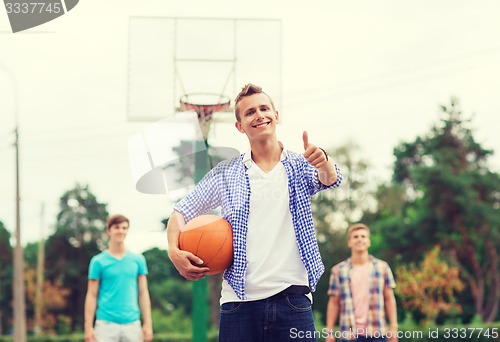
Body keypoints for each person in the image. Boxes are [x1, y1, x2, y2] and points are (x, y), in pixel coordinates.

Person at [167, 83, 342, 341]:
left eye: (264, 108)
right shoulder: (227, 173)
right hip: (239, 303)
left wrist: (324, 162)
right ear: (240, 126)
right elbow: (181, 211)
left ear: (276, 115)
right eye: (250, 112)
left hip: (292, 300)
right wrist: (173, 250)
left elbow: (330, 179)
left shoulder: (300, 164)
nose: (259, 115)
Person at [84, 214, 153, 342]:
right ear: (109, 230)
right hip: (105, 325)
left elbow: (143, 293)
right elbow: (92, 295)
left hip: (132, 324)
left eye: (124, 228)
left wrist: (148, 324)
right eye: (117, 227)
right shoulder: (98, 261)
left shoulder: (138, 260)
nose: (121, 231)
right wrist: (88, 328)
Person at [325, 223, 398, 342]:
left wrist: (393, 328)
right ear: (349, 242)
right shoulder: (338, 271)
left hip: (377, 333)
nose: (359, 239)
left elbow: (389, 299)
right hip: (349, 334)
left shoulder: (382, 268)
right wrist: (329, 332)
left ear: (368, 242)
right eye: (355, 237)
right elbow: (334, 303)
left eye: (363, 236)